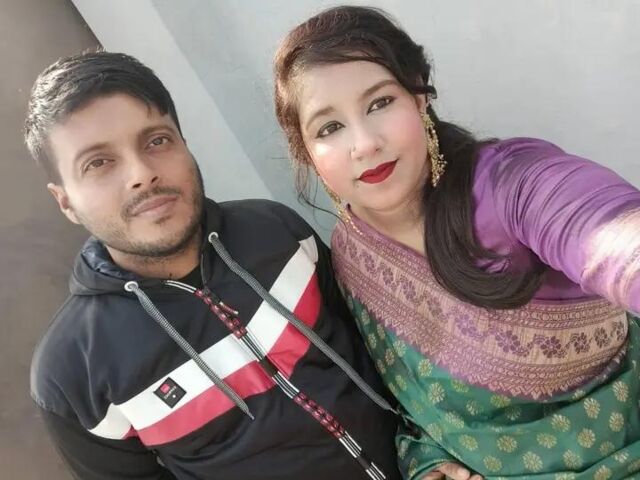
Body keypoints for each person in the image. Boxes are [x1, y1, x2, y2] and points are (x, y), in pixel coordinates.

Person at [273, 6, 640, 480]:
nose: (364, 144)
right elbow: (415, 407)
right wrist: (426, 459)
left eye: (380, 103)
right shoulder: (351, 255)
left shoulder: (506, 186)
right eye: (329, 128)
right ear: (308, 155)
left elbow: (609, 236)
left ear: (418, 97)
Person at [26, 50, 402, 480]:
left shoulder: (277, 231)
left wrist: (428, 449)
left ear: (184, 144)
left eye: (156, 141)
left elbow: (383, 351)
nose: (141, 173)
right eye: (98, 163)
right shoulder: (72, 372)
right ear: (65, 201)